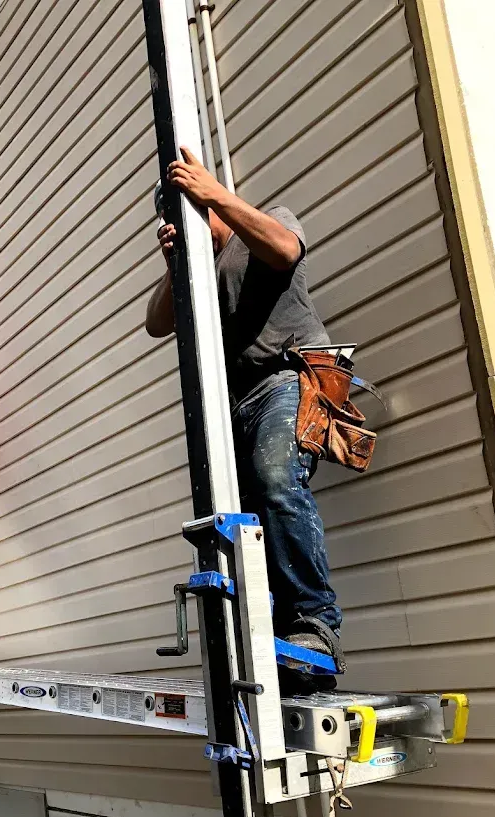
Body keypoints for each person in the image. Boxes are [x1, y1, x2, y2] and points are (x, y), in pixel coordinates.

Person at [145, 147, 342, 690]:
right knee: (247, 517)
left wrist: (215, 194)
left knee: (278, 479)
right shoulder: (198, 272)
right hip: (235, 401)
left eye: (187, 212)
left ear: (208, 206)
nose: (181, 225)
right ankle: (284, 644)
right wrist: (174, 265)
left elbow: (285, 251)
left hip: (290, 376)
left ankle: (315, 625)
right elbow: (156, 323)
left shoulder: (265, 220)